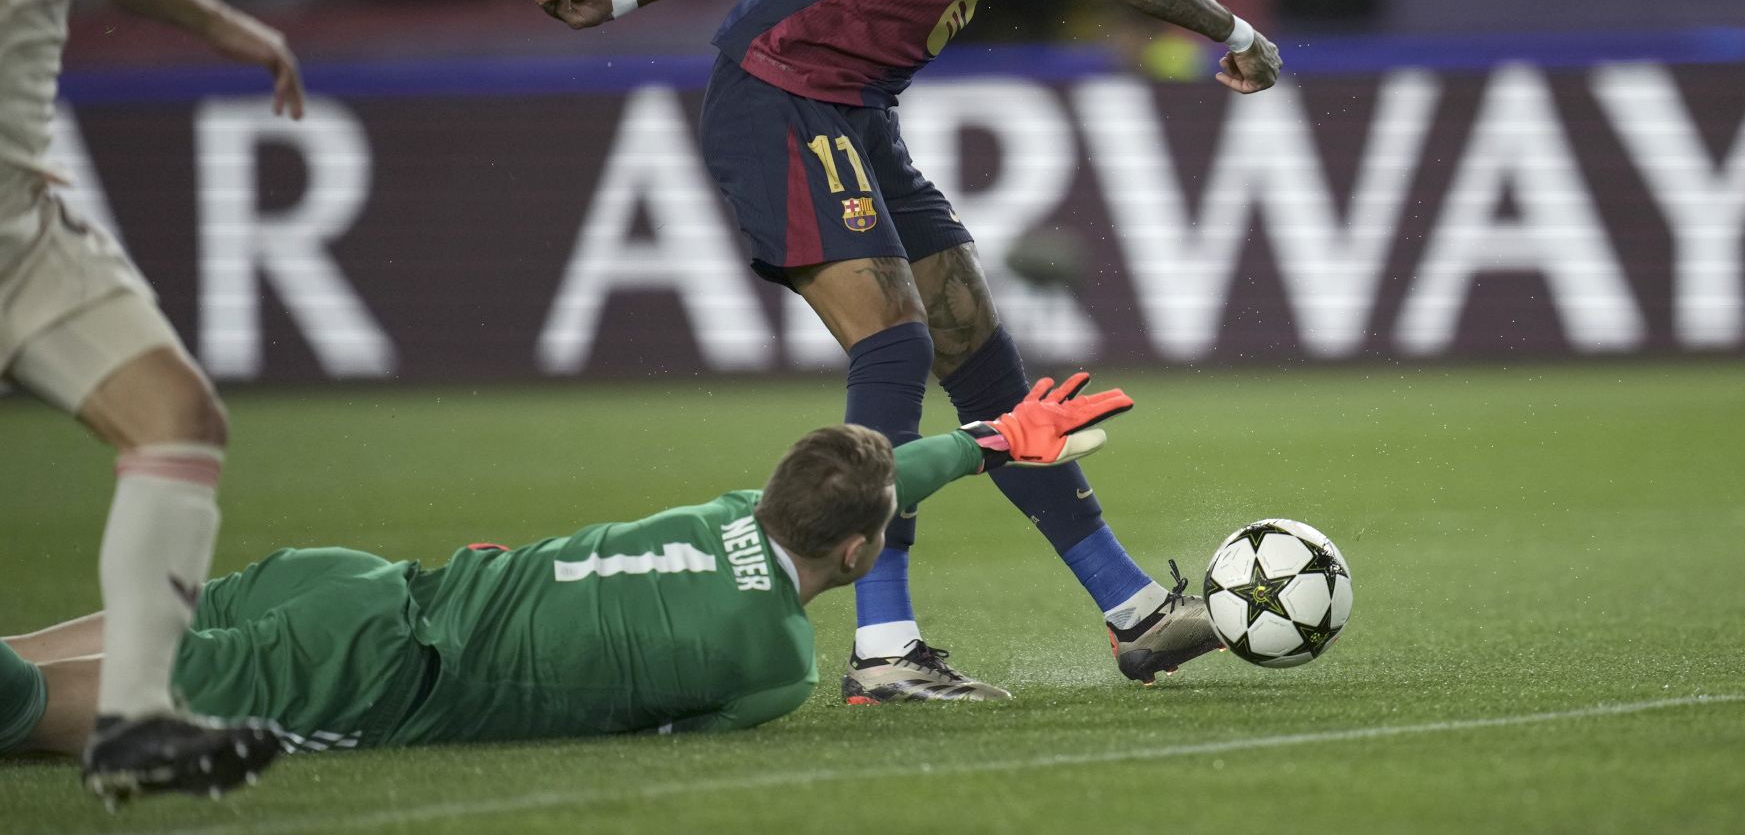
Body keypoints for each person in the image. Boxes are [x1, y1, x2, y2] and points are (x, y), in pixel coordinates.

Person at [536, 0, 1278, 702]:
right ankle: (883, 648)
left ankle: (1131, 611)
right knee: (893, 345)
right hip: (780, 91)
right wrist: (1237, 32)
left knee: (976, 353)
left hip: (854, 110)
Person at [5, 376, 1134, 750]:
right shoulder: (777, 666)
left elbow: (887, 476)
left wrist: (985, 444)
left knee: (30, 663)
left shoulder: (731, 510)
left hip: (353, 579)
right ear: (854, 553)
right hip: (381, 668)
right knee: (31, 713)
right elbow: (648, 729)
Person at [0, 0, 304, 804]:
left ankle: (131, 719)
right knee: (175, 419)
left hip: (17, 212)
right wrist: (220, 21)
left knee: (175, 418)